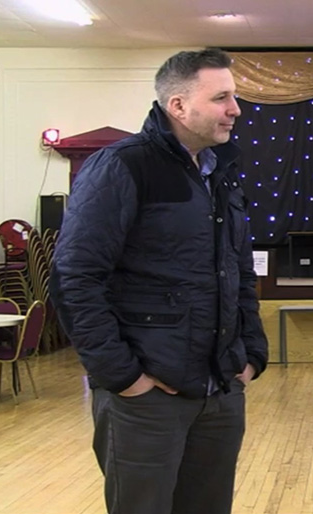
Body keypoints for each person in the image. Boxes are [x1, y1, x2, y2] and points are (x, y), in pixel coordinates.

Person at [50, 48, 268, 514]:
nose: (236, 109)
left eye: (235, 97)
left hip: (221, 390)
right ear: (178, 106)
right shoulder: (122, 166)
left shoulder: (220, 174)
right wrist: (124, 377)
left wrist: (251, 354)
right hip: (147, 399)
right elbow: (75, 276)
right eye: (222, 97)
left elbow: (238, 271)